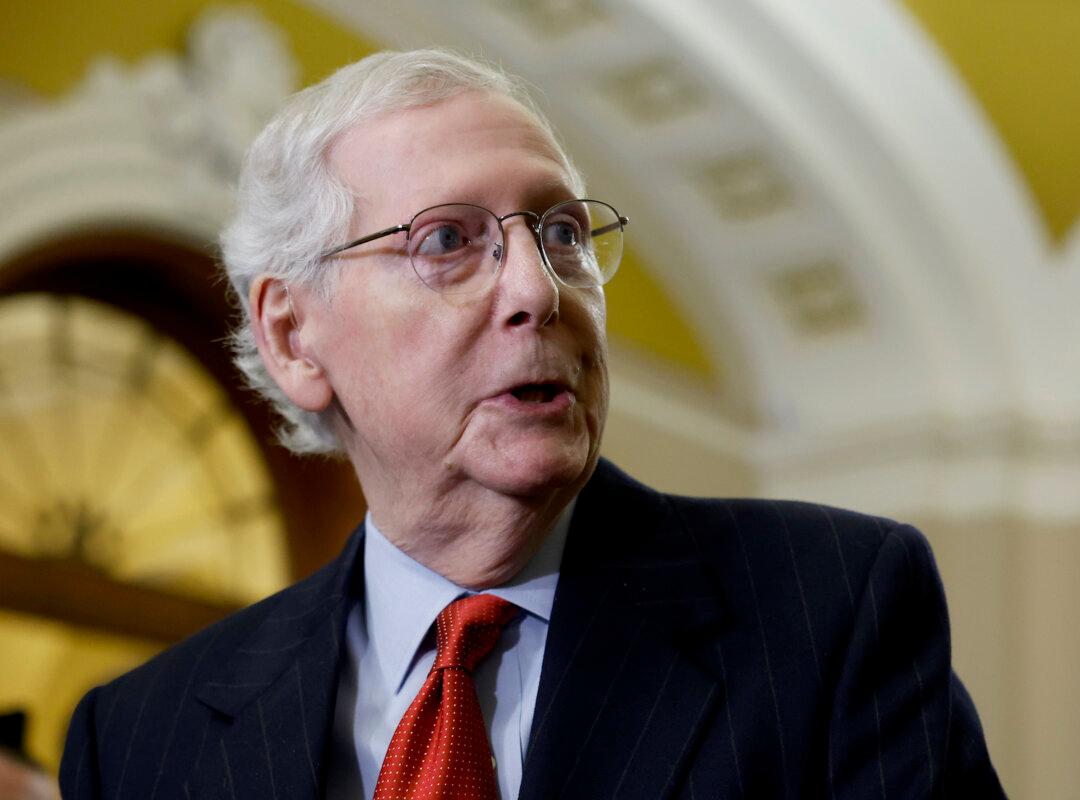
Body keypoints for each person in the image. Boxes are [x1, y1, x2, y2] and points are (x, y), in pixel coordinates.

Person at [59, 50, 1004, 799]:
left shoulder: (831, 610)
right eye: (447, 240)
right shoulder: (139, 736)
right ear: (295, 336)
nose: (536, 290)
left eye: (560, 233)